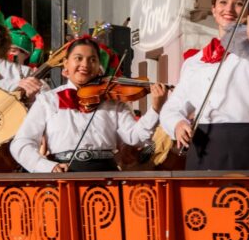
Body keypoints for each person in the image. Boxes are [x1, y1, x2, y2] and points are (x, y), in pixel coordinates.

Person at [159, 0, 249, 170]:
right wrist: (177, 123)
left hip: (244, 143)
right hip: (203, 145)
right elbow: (173, 105)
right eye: (223, 2)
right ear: (214, 10)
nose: (229, 9)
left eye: (239, 4)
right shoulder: (195, 61)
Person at [11, 37, 166, 173]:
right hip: (63, 173)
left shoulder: (113, 101)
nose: (85, 64)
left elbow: (135, 138)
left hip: (106, 173)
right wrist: (46, 166)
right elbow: (21, 144)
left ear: (99, 67)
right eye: (78, 58)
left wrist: (155, 109)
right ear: (65, 64)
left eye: (92, 60)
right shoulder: (48, 100)